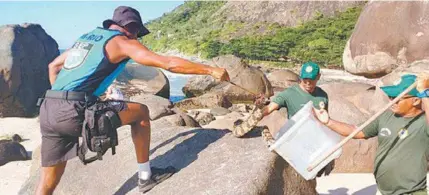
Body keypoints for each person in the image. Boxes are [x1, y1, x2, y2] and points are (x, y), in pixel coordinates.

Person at [36, 6, 230, 195]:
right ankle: (146, 177)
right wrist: (210, 70)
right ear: (132, 28)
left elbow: (53, 66)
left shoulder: (87, 39)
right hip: (74, 110)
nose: (138, 38)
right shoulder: (123, 42)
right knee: (141, 112)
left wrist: (62, 103)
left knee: (46, 183)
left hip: (48, 108)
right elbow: (168, 63)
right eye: (138, 33)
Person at [313, 74, 429, 195]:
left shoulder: (423, 122)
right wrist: (328, 122)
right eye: (390, 96)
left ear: (415, 100)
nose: (391, 100)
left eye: (396, 97)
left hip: (412, 192)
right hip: (383, 191)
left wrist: (425, 94)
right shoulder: (386, 115)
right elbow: (357, 131)